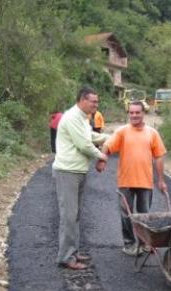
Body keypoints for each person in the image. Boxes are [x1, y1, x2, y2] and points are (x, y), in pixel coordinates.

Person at [96, 101, 167, 256]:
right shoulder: (122, 131)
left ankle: (144, 244)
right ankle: (129, 244)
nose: (134, 115)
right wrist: (102, 159)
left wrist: (161, 180)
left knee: (144, 215)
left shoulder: (152, 133)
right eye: (132, 113)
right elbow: (108, 145)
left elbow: (159, 157)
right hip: (126, 181)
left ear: (143, 114)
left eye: (137, 112)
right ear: (129, 114)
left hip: (145, 181)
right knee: (126, 215)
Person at [52, 87, 109, 270]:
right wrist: (102, 156)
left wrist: (113, 137)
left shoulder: (83, 118)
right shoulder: (72, 117)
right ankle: (66, 257)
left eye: (97, 102)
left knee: (75, 215)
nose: (96, 105)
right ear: (82, 100)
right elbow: (84, 145)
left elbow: (90, 136)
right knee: (68, 216)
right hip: (67, 172)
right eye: (93, 101)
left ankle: (73, 252)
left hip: (78, 171)